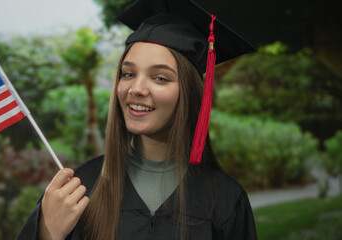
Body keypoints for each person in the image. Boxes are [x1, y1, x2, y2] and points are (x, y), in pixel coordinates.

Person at [17, 0, 257, 239]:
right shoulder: (80, 189)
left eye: (160, 78)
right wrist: (46, 234)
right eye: (128, 73)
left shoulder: (225, 199)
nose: (136, 88)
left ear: (190, 92)